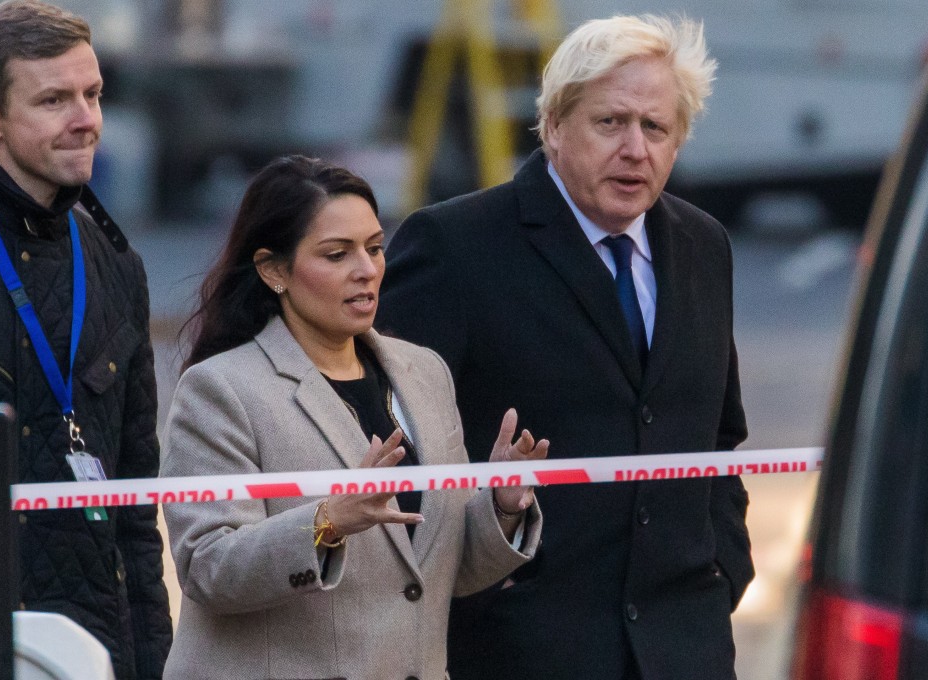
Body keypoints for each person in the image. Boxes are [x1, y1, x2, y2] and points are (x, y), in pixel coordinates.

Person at [377, 13, 754, 680]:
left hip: (684, 646)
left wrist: (724, 564)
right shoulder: (453, 247)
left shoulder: (704, 247)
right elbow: (389, 445)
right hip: (519, 649)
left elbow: (717, 438)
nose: (635, 148)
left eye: (656, 128)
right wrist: (482, 580)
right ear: (554, 126)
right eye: (610, 122)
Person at [160, 155, 547, 680]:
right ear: (273, 270)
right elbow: (207, 569)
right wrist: (326, 521)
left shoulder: (424, 373)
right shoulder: (219, 389)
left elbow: (435, 573)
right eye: (337, 254)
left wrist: (501, 506)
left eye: (375, 247)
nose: (366, 270)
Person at [0, 1, 172, 678]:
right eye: (54, 99)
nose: (86, 119)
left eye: (92, 94)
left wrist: (150, 663)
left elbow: (136, 508)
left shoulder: (116, 265)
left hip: (89, 650)